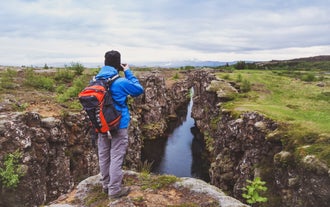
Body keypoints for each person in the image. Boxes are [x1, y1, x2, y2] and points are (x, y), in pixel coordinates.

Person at [95, 50, 144, 199]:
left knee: (104, 155)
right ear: (118, 64)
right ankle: (114, 190)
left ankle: (106, 186)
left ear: (104, 63)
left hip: (101, 124)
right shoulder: (120, 82)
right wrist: (127, 71)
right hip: (118, 124)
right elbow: (138, 89)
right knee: (116, 156)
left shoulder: (96, 80)